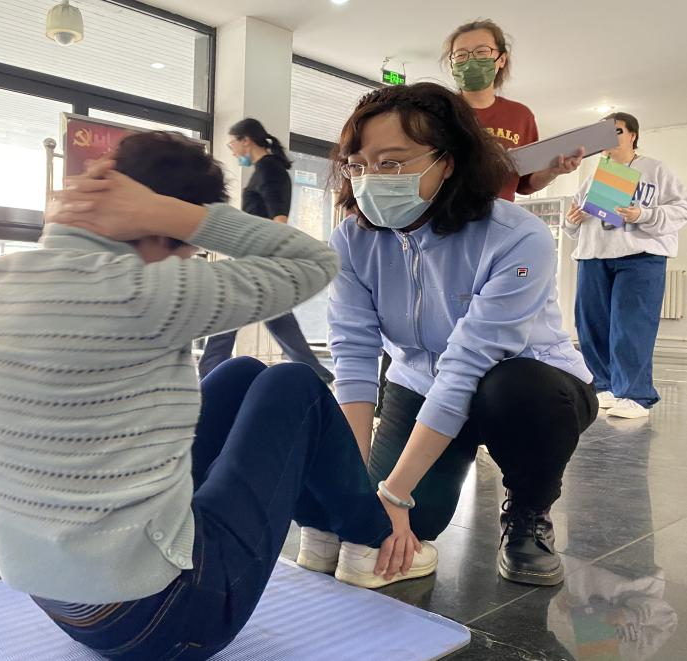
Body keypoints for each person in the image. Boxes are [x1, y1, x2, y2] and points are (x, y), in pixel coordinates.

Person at [0, 131, 401, 661]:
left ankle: (327, 532)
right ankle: (374, 540)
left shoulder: (0, 282)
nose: (189, 262)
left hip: (61, 601)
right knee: (295, 385)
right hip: (166, 621)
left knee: (239, 372)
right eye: (187, 251)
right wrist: (175, 214)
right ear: (155, 228)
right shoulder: (144, 291)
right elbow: (314, 261)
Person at [326, 82, 598, 588]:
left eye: (392, 162)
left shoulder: (516, 235)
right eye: (357, 165)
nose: (370, 179)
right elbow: (355, 355)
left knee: (515, 390)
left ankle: (528, 512)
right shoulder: (351, 241)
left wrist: (395, 493)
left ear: (447, 162)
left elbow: (469, 362)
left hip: (522, 385)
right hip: (418, 382)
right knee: (394, 531)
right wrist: (355, 484)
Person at [564, 112, 687, 419]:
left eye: (616, 131)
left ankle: (635, 394)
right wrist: (572, 221)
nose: (609, 137)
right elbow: (575, 225)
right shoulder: (592, 176)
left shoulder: (655, 169)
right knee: (591, 324)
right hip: (593, 255)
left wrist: (643, 215)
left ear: (633, 135)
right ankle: (604, 386)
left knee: (631, 325)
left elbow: (681, 208)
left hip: (640, 256)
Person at [197, 118, 334, 383]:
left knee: (227, 313)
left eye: (232, 144)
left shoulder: (271, 169)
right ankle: (316, 373)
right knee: (277, 319)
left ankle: (209, 377)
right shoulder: (266, 169)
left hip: (257, 260)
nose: (233, 151)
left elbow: (279, 219)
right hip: (255, 258)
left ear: (246, 140)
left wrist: (266, 261)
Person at [443, 19, 583, 202]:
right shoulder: (438, 111)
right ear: (452, 63)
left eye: (481, 51)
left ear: (501, 59)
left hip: (499, 216)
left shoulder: (520, 116)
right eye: (461, 55)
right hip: (445, 214)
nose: (471, 61)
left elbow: (525, 184)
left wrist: (552, 171)